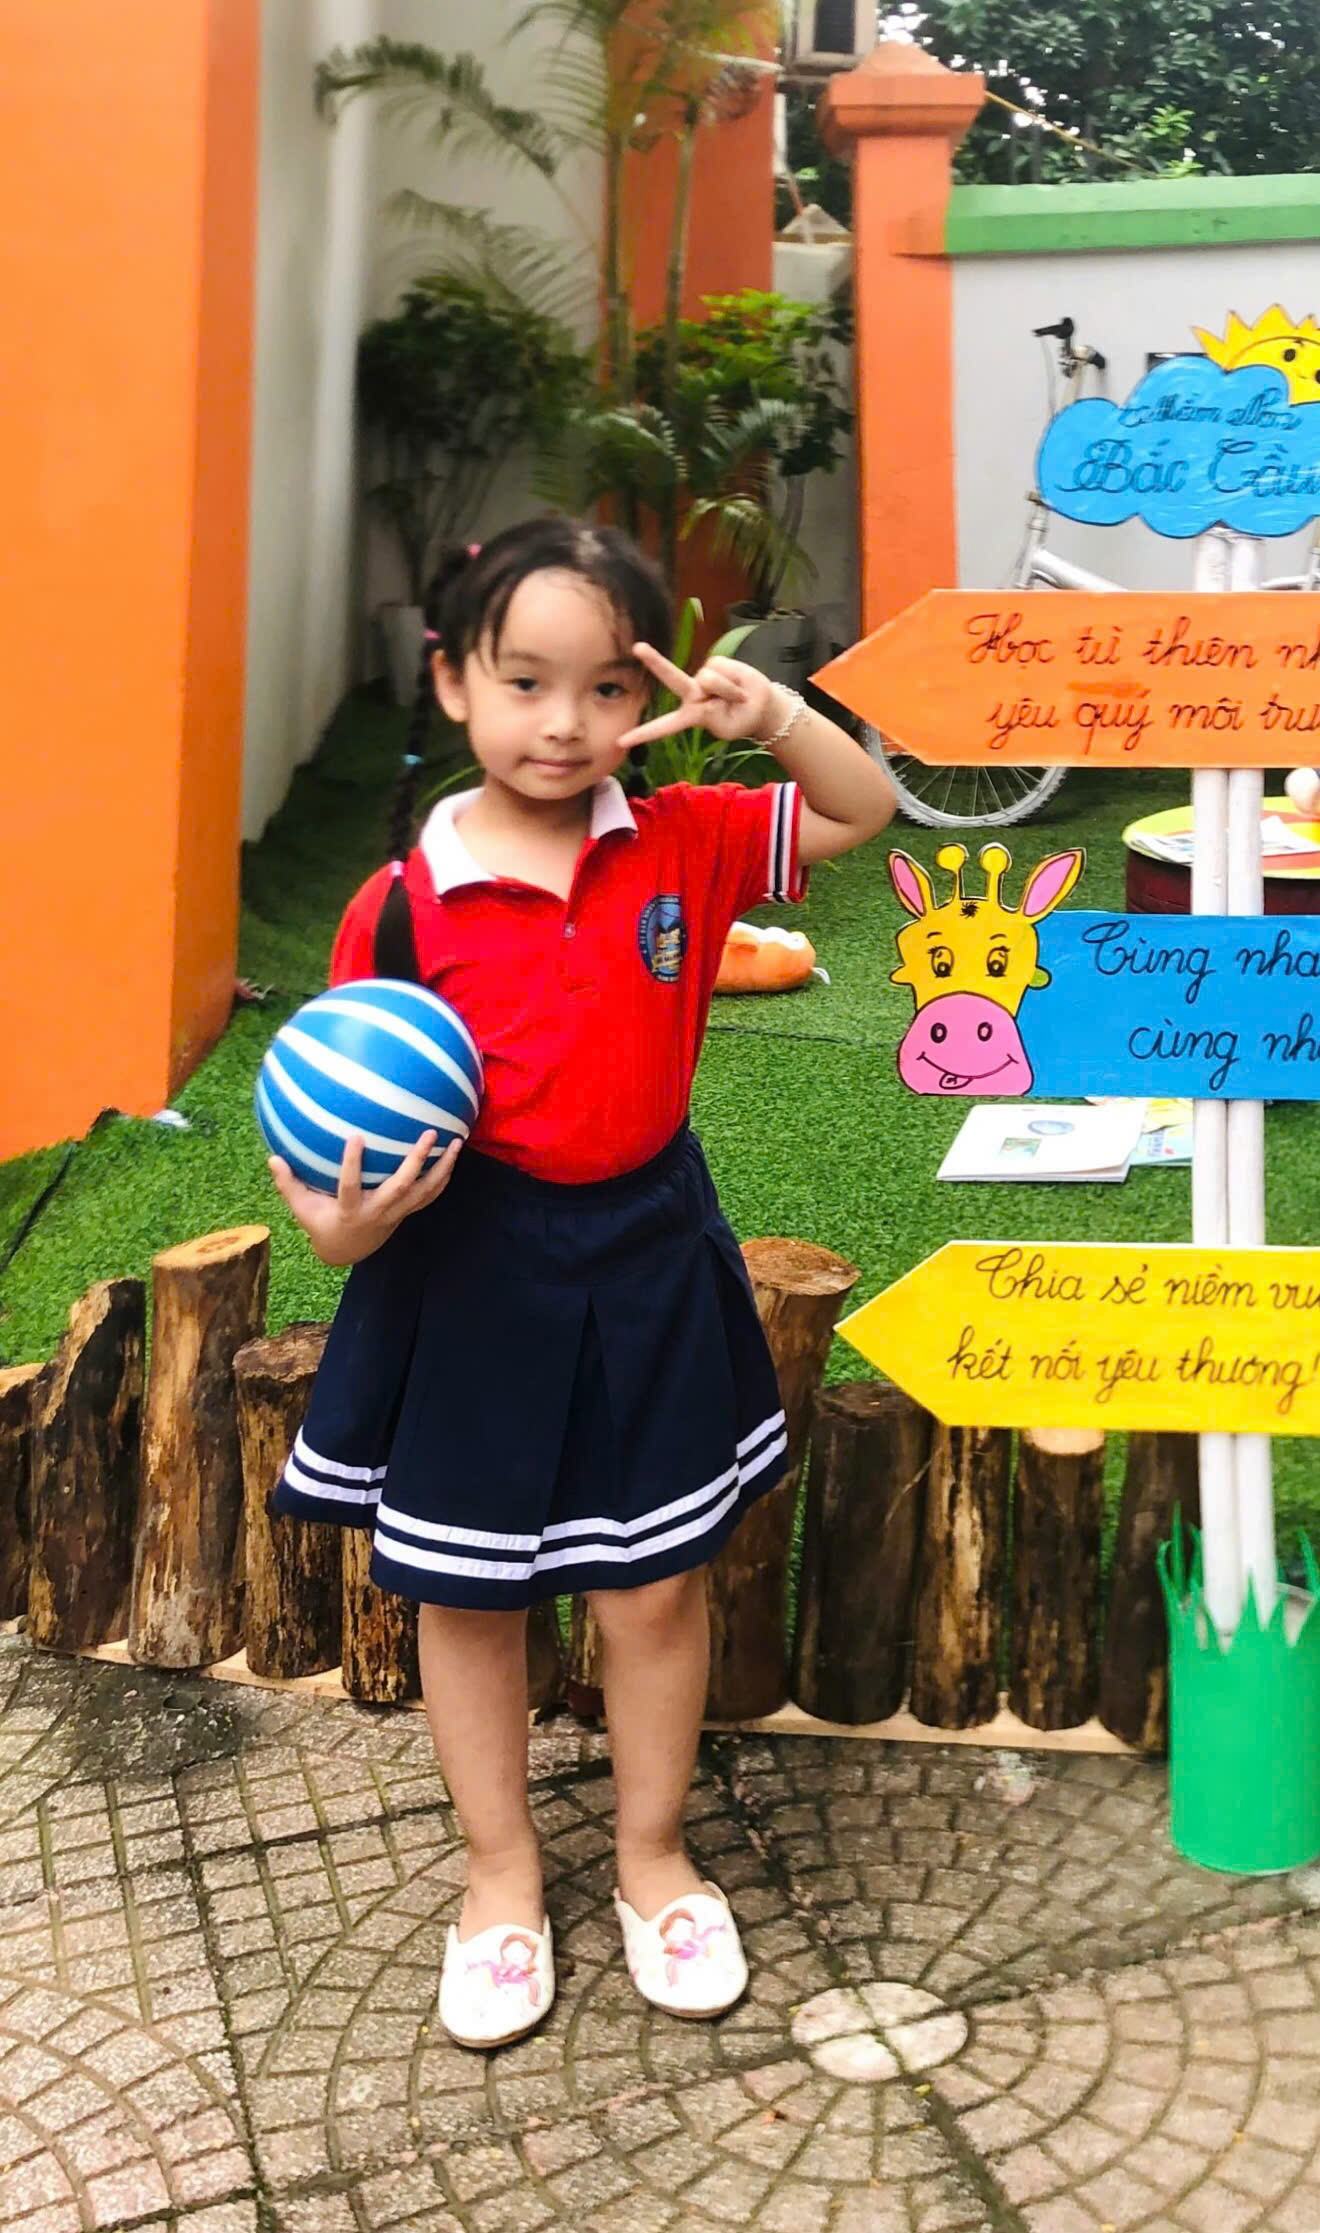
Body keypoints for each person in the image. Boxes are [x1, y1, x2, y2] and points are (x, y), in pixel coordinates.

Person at [265, 518, 895, 2051]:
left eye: (606, 686)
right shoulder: (398, 906)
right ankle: (499, 1875)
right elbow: (338, 1138)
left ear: (644, 693)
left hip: (650, 1251)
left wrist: (776, 713)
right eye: (525, 681)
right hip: (468, 1273)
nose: (564, 723)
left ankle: (651, 1853)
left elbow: (861, 808)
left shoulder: (681, 838)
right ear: (452, 681)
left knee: (652, 1580)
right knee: (468, 1594)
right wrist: (337, 1236)